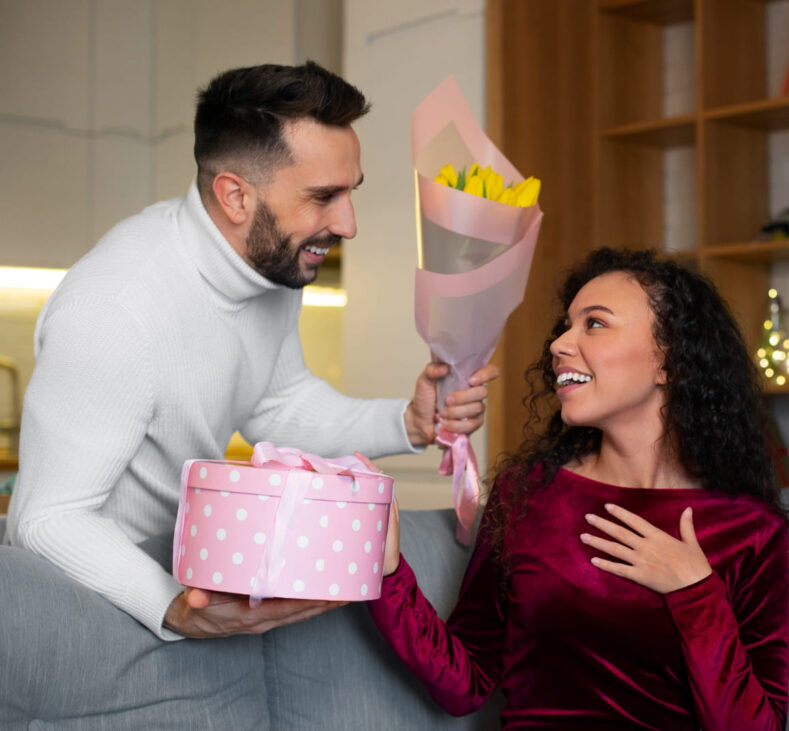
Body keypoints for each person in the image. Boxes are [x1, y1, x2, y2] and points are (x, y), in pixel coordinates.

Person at [5, 61, 496, 641]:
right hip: (98, 606)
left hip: (185, 581)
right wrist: (172, 606)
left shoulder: (268, 269)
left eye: (350, 192)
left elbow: (279, 404)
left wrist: (407, 422)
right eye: (324, 196)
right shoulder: (115, 310)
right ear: (235, 196)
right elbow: (48, 520)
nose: (348, 223)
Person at [364, 248, 789, 729]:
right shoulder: (527, 495)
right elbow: (464, 684)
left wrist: (696, 594)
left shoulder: (751, 529)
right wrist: (386, 573)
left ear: (669, 361)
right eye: (566, 325)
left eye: (594, 324)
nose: (559, 344)